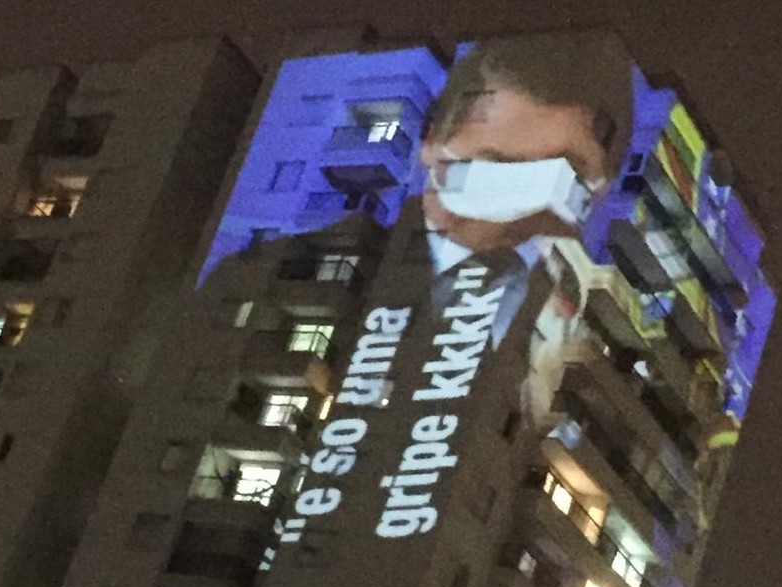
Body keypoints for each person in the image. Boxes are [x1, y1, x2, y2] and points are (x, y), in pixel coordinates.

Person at [201, 30, 634, 429]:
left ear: (599, 189)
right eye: (502, 164)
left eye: (567, 176)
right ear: (432, 144)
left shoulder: (571, 306)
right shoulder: (270, 265)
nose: (530, 202)